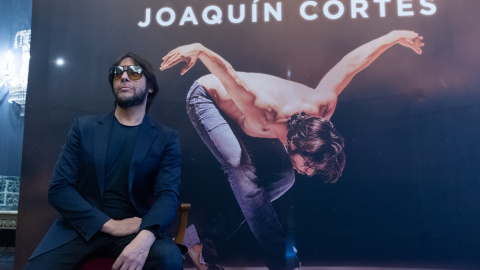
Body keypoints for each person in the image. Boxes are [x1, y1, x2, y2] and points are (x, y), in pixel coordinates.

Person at [160, 30, 424, 269]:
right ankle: (282, 262)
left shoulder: (322, 107)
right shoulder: (265, 112)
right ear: (297, 144)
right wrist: (201, 49)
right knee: (240, 167)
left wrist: (392, 37)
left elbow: (351, 64)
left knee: (284, 177)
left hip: (247, 117)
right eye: (308, 165)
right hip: (209, 97)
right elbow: (228, 75)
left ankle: (200, 243)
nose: (308, 173)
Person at [25, 52, 183, 270]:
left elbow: (168, 195)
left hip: (134, 229)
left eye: (135, 72)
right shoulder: (84, 128)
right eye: (117, 73)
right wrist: (110, 225)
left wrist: (145, 237)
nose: (124, 77)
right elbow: (59, 189)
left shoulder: (166, 138)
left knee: (169, 258)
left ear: (151, 87)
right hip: (81, 227)